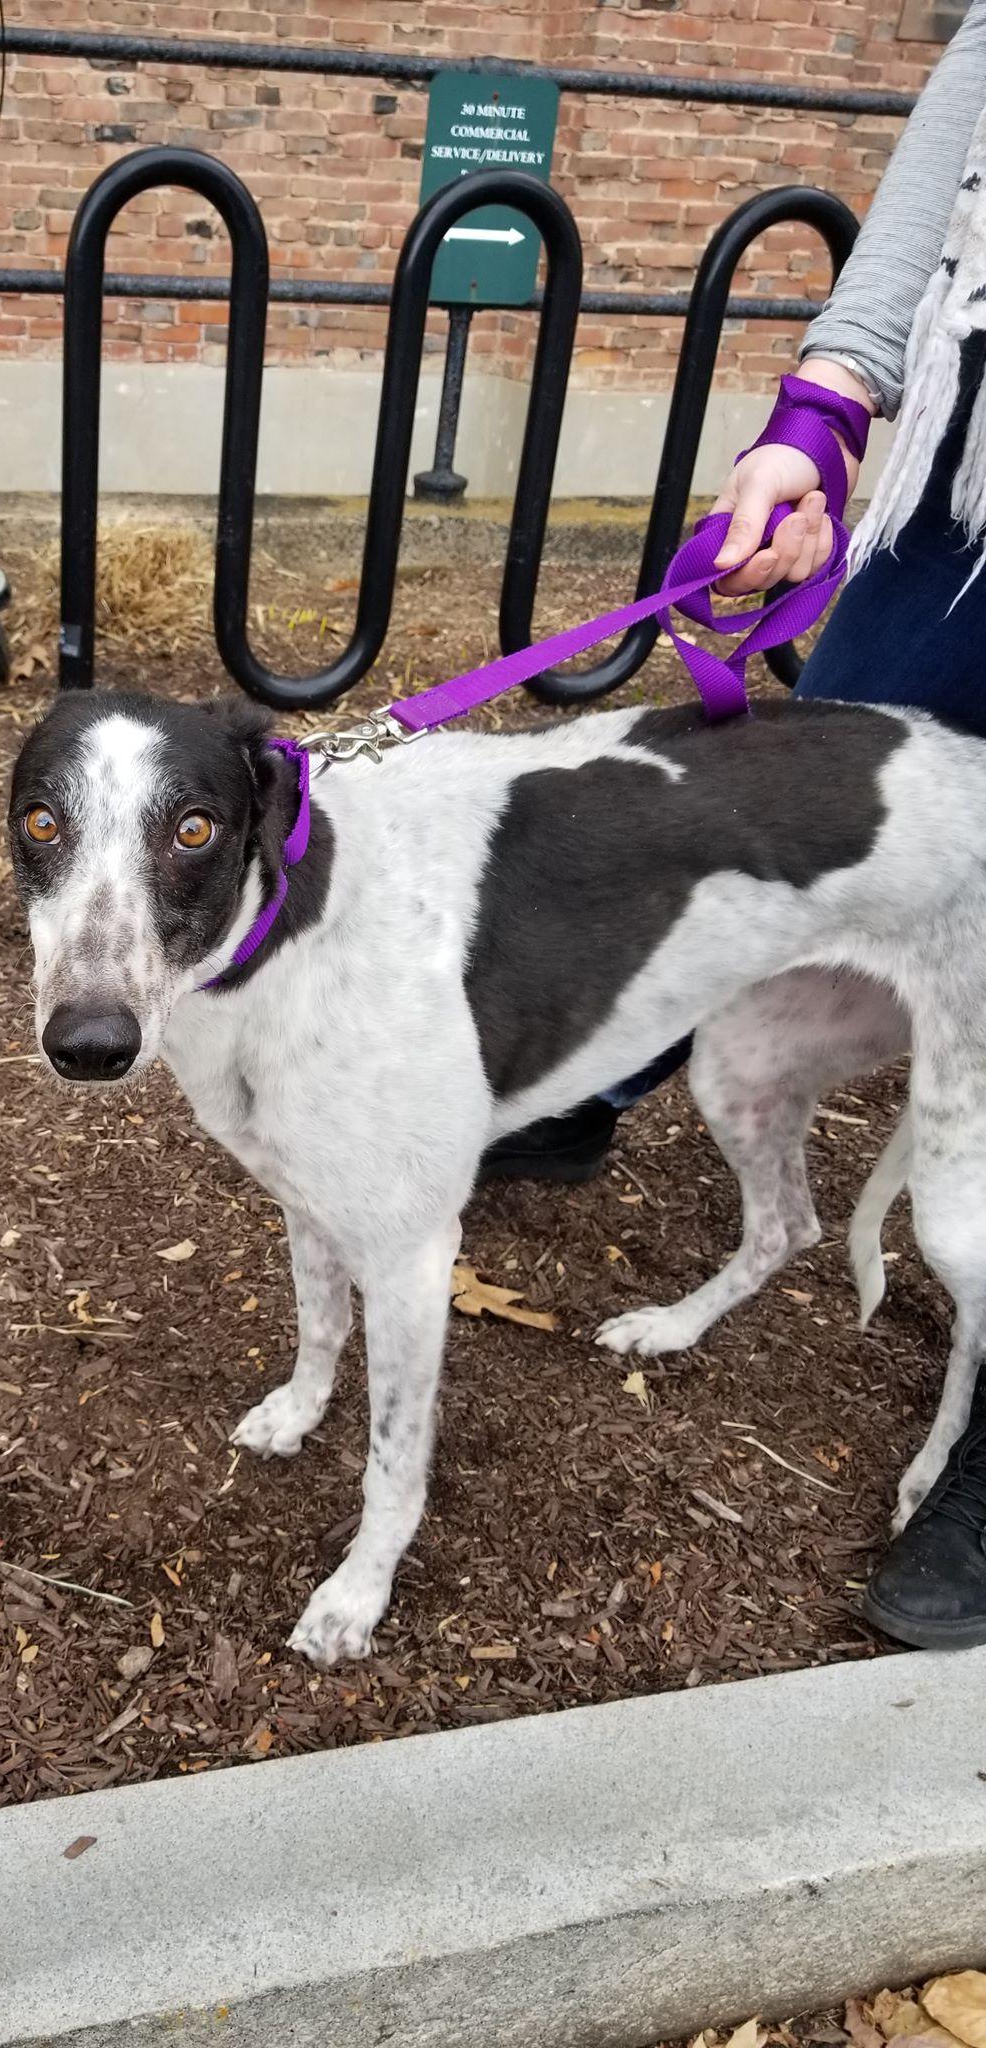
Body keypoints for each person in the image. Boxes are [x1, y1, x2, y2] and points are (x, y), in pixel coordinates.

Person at [487, 0, 986, 1649]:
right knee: (782, 814)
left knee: (963, 1188)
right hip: (958, 488)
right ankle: (592, 1078)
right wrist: (828, 412)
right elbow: (961, 130)